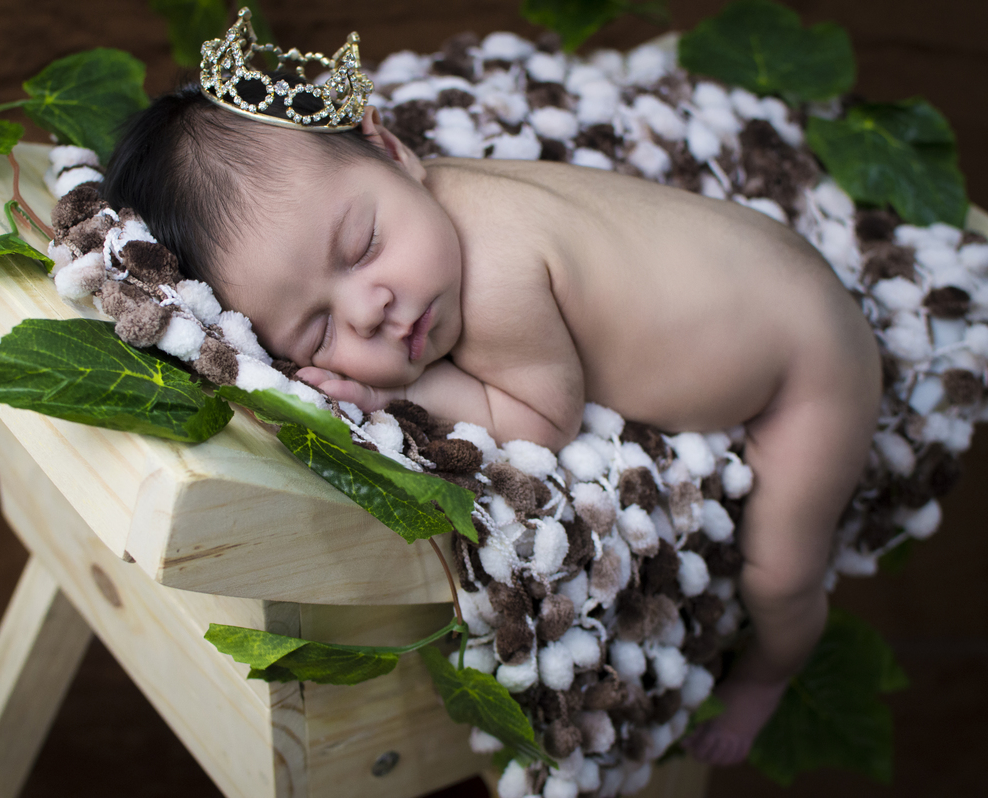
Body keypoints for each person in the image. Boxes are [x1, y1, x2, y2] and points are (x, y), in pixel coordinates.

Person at [101, 78, 882, 765]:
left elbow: (540, 420)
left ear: (391, 147)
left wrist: (398, 395)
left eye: (362, 244)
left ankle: (769, 675)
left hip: (806, 368)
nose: (371, 307)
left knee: (779, 574)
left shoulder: (502, 275)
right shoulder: (434, 203)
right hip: (763, 264)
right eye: (317, 332)